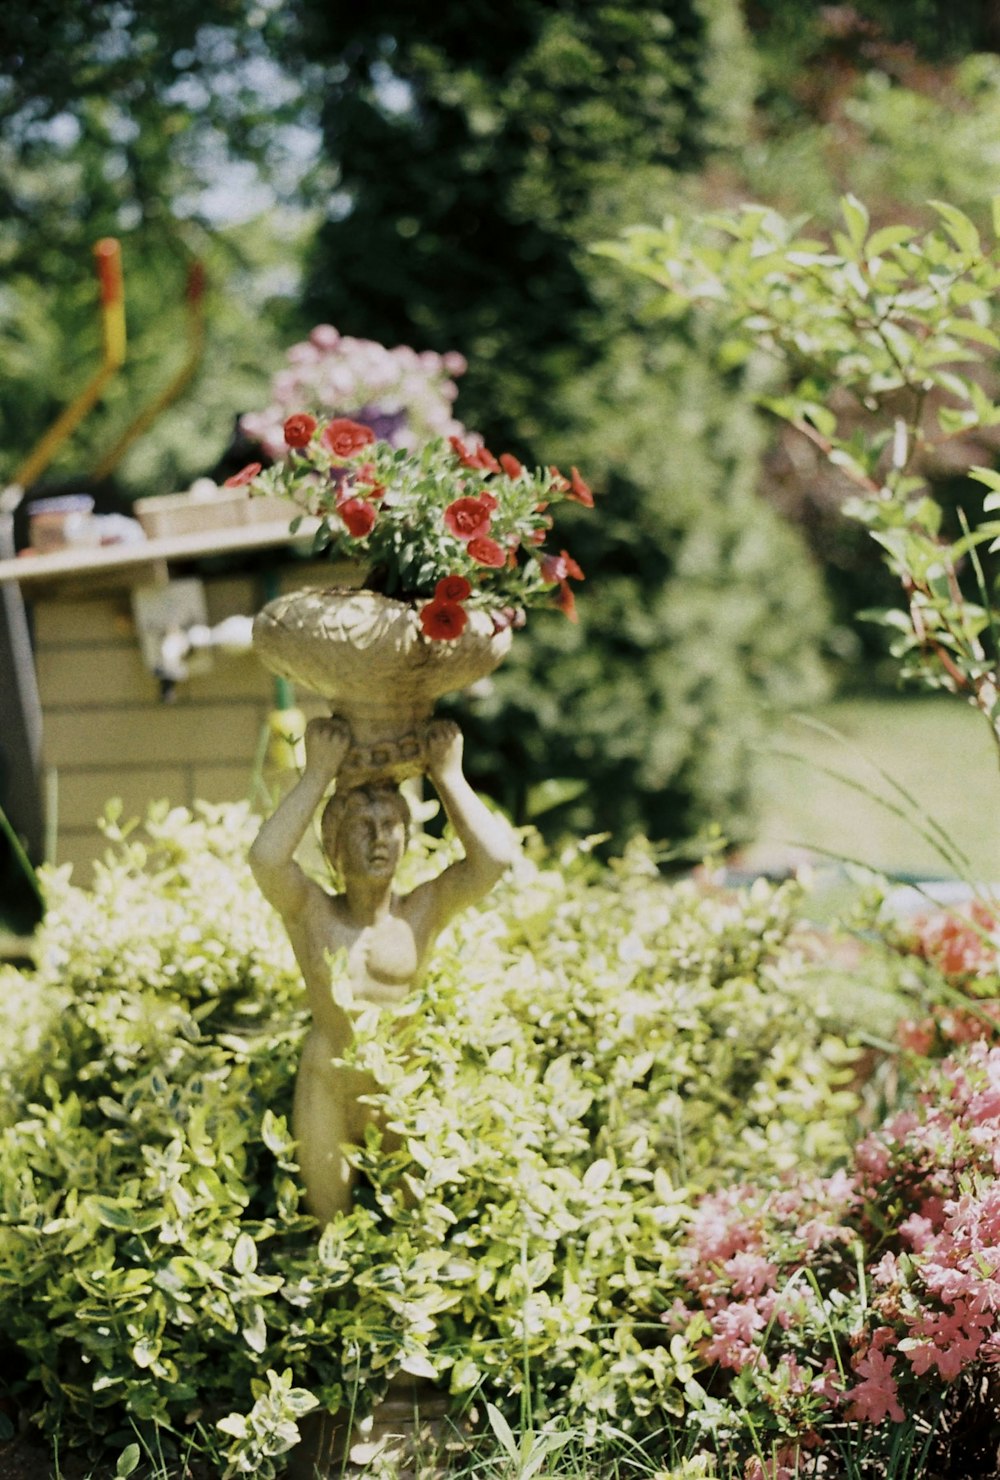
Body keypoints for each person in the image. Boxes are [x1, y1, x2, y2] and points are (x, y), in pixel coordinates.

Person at [249, 714, 515, 1223]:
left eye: (391, 826)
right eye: (363, 828)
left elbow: (495, 860)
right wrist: (316, 775)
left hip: (401, 1084)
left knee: (415, 1226)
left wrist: (449, 776)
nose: (379, 840)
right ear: (335, 846)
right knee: (329, 1224)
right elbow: (266, 858)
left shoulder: (423, 910)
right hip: (329, 1084)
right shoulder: (312, 913)